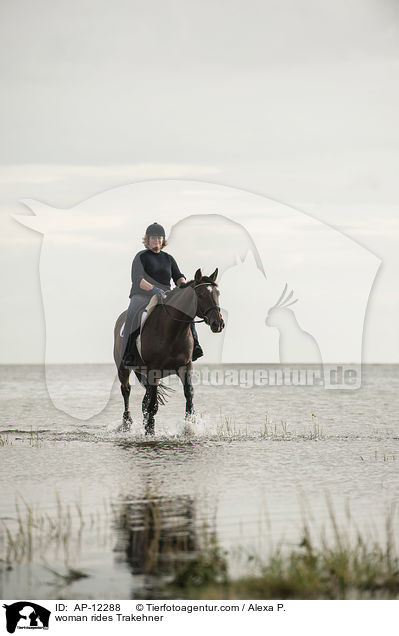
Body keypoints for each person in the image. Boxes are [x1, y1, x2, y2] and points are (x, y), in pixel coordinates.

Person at [122, 222, 203, 365]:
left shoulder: (168, 258)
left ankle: (195, 345)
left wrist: (183, 286)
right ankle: (127, 353)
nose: (156, 240)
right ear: (147, 240)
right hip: (143, 295)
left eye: (159, 238)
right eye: (153, 238)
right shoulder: (141, 257)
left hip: (166, 295)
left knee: (185, 310)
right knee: (132, 314)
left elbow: (178, 276)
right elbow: (138, 280)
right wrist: (154, 289)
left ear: (163, 240)